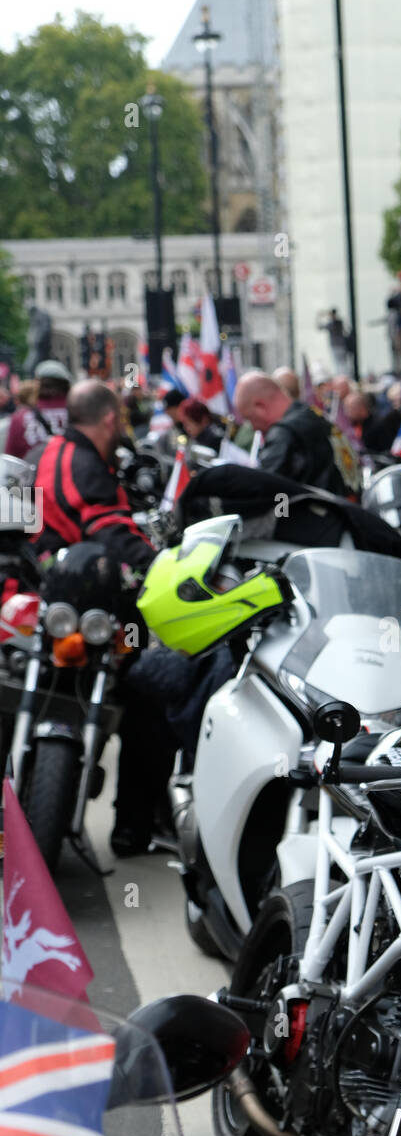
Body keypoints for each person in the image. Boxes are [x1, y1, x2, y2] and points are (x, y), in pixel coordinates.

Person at [30, 380, 174, 855]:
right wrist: (165, 567)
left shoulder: (48, 451)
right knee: (147, 690)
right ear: (110, 418)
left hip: (52, 603)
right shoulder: (84, 464)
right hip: (86, 607)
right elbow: (110, 531)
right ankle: (134, 826)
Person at [233, 371, 349, 494]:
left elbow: (264, 490)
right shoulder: (312, 414)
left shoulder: (283, 434)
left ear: (260, 406)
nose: (253, 428)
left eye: (249, 419)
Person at [5, 359, 71, 463]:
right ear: (67, 385)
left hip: (34, 477)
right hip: (74, 476)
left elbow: (11, 461)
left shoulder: (20, 417)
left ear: (37, 384)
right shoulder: (79, 413)